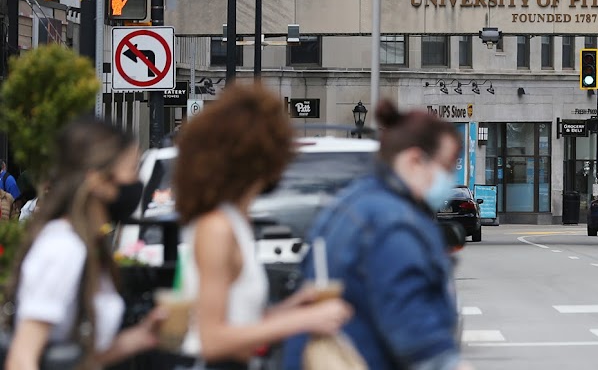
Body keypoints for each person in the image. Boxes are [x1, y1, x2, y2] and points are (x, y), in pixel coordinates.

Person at [170, 82, 350, 369]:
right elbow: (212, 338)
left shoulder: (234, 220)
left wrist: (291, 308)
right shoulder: (217, 227)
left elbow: (241, 322)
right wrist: (303, 319)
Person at [283, 100, 472, 370]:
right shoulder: (394, 225)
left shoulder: (352, 204)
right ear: (415, 160)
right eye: (447, 166)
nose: (449, 180)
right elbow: (422, 343)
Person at [4, 117, 167, 370]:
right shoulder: (62, 247)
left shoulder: (86, 243)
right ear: (97, 181)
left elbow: (75, 358)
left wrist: (136, 339)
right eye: (131, 170)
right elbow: (23, 358)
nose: (138, 183)